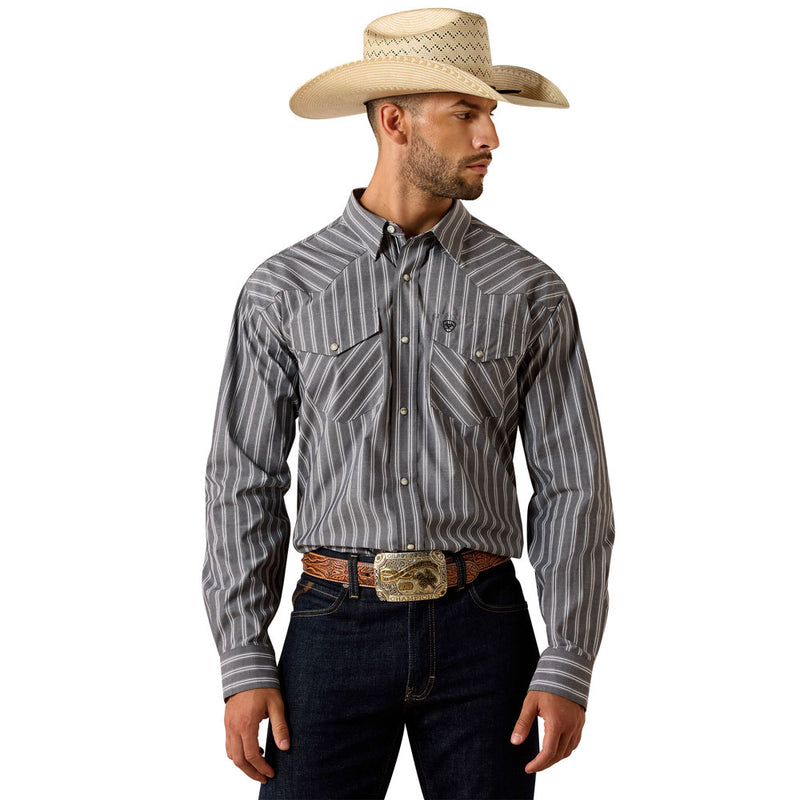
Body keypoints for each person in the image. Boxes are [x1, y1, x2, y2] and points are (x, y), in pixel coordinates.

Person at [202, 8, 615, 799]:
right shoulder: (284, 289)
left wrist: (567, 657)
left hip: (484, 630)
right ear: (395, 121)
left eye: (491, 113)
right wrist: (243, 657)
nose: (491, 136)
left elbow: (573, 484)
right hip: (331, 625)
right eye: (466, 113)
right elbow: (243, 480)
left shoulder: (529, 290)